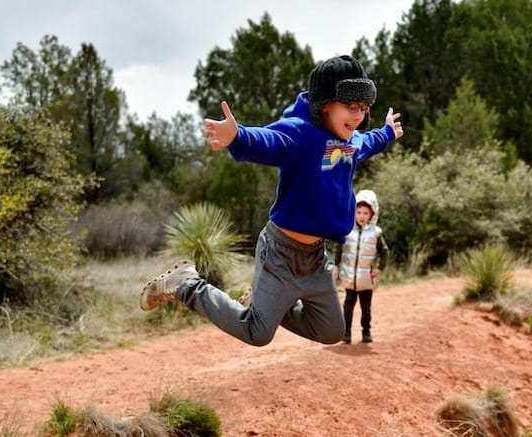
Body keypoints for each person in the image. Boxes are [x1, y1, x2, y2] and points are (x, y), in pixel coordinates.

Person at [140, 55, 404, 347]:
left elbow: (369, 142)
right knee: (258, 333)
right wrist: (237, 137)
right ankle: (187, 285)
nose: (357, 116)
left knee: (331, 330)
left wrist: (388, 132)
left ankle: (268, 303)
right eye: (351, 107)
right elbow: (268, 141)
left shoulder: (349, 143)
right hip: (280, 252)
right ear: (326, 104)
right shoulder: (299, 134)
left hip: (315, 257)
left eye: (363, 109)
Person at [332, 189, 389, 344]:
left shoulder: (376, 233)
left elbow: (384, 252)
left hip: (366, 279)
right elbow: (339, 249)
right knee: (348, 305)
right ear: (353, 212)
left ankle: (366, 331)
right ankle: (346, 332)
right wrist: (336, 267)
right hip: (350, 277)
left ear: (372, 214)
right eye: (359, 212)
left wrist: (379, 268)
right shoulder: (347, 230)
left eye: (365, 213)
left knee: (366, 308)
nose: (362, 216)